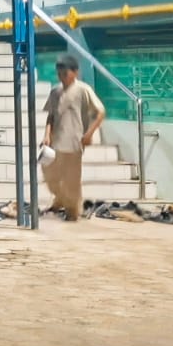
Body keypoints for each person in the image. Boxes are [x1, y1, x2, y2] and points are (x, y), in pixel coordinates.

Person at [43, 54, 105, 222]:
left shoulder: (83, 90)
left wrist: (89, 134)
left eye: (65, 73)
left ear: (75, 72)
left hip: (74, 141)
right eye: (59, 73)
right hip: (55, 142)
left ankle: (72, 210)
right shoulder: (55, 92)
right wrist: (47, 135)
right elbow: (51, 115)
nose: (62, 77)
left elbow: (100, 112)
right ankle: (60, 200)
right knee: (51, 176)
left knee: (72, 179)